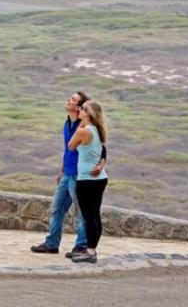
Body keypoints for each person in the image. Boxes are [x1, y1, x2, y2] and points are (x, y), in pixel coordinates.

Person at [31, 91, 105, 258]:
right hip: (67, 173)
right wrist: (62, 169)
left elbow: (101, 148)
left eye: (72, 99)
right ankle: (51, 244)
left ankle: (81, 246)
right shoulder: (67, 124)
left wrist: (101, 164)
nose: (68, 100)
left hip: (80, 176)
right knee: (57, 209)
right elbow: (67, 149)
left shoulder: (84, 127)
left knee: (81, 214)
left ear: (79, 108)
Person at [68, 100, 109, 263]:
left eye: (83, 109)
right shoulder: (99, 131)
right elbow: (103, 150)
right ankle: (91, 249)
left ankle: (90, 252)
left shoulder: (83, 131)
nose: (79, 110)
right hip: (100, 179)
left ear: (89, 114)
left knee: (88, 216)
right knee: (95, 214)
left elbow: (71, 146)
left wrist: (79, 126)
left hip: (86, 179)